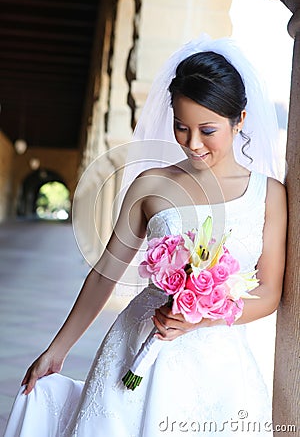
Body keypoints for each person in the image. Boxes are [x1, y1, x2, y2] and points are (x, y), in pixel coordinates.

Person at [4, 36, 286, 437]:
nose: (192, 143)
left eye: (208, 130)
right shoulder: (150, 184)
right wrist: (58, 348)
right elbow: (105, 274)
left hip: (220, 366)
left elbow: (271, 291)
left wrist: (200, 317)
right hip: (134, 344)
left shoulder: (269, 194)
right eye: (181, 127)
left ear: (239, 119)